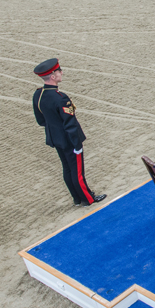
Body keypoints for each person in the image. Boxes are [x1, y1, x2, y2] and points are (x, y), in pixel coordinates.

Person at [32, 58, 106, 207]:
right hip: (69, 140)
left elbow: (41, 120)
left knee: (67, 168)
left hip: (56, 139)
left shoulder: (38, 95)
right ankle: (87, 198)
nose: (61, 72)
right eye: (59, 71)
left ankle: (76, 198)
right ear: (53, 76)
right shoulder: (61, 98)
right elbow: (70, 124)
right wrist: (77, 144)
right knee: (77, 171)